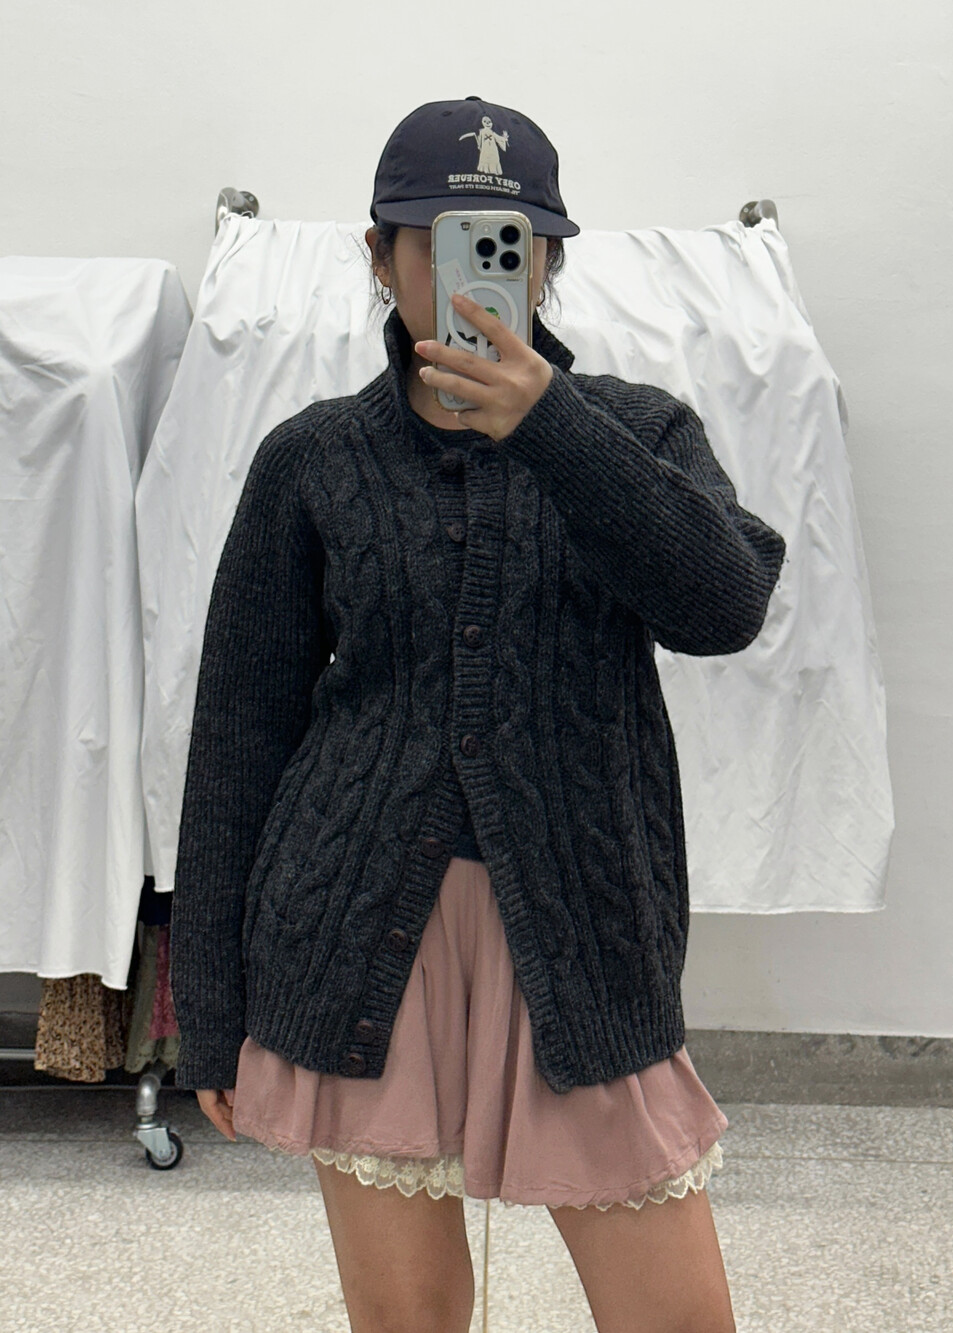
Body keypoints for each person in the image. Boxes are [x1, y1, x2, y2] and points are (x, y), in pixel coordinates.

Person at [169, 95, 787, 1333]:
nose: (473, 274)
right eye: (436, 242)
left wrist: (552, 427)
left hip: (584, 932)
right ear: (380, 254)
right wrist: (209, 1006)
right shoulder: (313, 458)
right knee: (408, 1320)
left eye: (510, 244)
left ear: (548, 261)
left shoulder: (638, 430)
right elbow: (239, 733)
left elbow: (724, 606)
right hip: (352, 929)